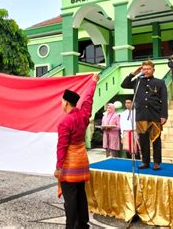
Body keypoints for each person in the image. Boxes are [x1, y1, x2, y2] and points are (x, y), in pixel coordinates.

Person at [54, 73, 99, 229]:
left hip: (70, 163)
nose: (60, 103)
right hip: (82, 160)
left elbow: (62, 147)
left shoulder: (65, 122)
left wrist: (59, 167)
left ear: (66, 103)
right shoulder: (83, 114)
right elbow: (88, 100)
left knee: (71, 197)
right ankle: (83, 225)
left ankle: (72, 226)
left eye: (61, 101)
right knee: (80, 193)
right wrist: (93, 83)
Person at [121, 61, 168, 170]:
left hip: (154, 115)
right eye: (144, 69)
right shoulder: (137, 81)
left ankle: (157, 162)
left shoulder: (160, 82)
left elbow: (164, 100)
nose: (146, 70)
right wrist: (134, 73)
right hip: (141, 115)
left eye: (148, 69)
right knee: (143, 140)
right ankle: (145, 162)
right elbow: (124, 84)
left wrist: (164, 115)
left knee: (156, 140)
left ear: (153, 70)